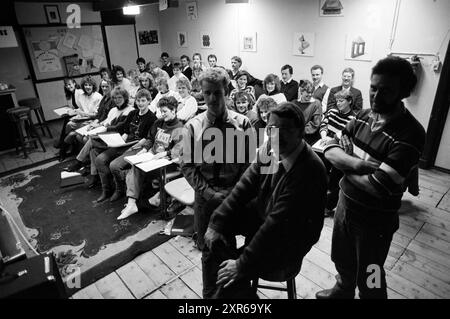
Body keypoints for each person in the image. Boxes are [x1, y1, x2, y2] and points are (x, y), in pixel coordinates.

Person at [315, 56, 425, 299]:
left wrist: (343, 163)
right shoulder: (363, 115)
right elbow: (330, 146)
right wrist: (359, 165)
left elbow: (377, 186)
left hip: (375, 220)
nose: (375, 96)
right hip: (345, 205)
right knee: (341, 257)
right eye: (373, 88)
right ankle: (343, 289)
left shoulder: (411, 133)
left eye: (385, 91)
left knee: (371, 274)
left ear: (403, 92)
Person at [203, 102, 327, 299]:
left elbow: (276, 225)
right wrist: (215, 224)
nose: (277, 135)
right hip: (264, 221)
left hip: (287, 243)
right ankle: (217, 295)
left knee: (225, 265)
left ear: (301, 132)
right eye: (271, 128)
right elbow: (244, 186)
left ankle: (225, 294)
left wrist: (240, 264)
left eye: (285, 129)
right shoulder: (271, 147)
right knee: (214, 210)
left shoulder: (309, 170)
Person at [180, 67, 254, 298]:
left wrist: (234, 193)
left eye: (217, 93)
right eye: (207, 93)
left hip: (236, 196)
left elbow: (250, 165)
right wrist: (210, 194)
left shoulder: (243, 124)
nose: (212, 98)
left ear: (226, 93)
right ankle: (209, 295)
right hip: (206, 198)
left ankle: (232, 295)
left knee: (230, 248)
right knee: (208, 251)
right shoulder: (192, 127)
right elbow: (187, 166)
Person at [119, 96, 184, 220]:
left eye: (165, 111)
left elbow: (178, 151)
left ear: (174, 110)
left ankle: (133, 204)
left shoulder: (180, 128)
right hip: (152, 157)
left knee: (136, 171)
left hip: (167, 163)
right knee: (135, 166)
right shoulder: (158, 122)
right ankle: (132, 204)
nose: (162, 114)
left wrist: (165, 154)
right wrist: (144, 149)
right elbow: (150, 138)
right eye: (161, 111)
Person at [91, 88, 156, 202]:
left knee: (114, 165)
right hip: (125, 143)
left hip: (137, 146)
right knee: (99, 160)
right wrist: (119, 140)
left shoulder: (152, 118)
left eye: (143, 101)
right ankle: (106, 189)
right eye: (138, 100)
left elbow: (148, 138)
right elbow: (126, 130)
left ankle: (119, 190)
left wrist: (135, 144)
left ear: (149, 101)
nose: (140, 103)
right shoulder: (133, 113)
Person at [318, 90, 356, 216]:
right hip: (324, 144)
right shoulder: (332, 111)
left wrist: (331, 140)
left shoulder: (353, 118)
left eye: (341, 101)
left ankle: (328, 205)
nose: (338, 104)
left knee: (335, 174)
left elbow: (346, 137)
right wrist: (324, 136)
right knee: (318, 167)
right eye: (337, 101)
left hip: (338, 149)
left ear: (349, 101)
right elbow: (323, 124)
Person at [59, 76, 102, 161]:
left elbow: (96, 115)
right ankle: (68, 147)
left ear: (93, 86)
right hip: (83, 119)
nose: (87, 87)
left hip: (92, 120)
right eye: (86, 85)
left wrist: (83, 113)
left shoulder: (98, 96)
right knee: (69, 123)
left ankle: (63, 150)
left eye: (90, 85)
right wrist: (78, 115)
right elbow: (81, 109)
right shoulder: (82, 96)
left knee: (71, 133)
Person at [293, 79, 322, 145]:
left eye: (311, 92)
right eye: (308, 92)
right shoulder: (294, 103)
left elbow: (315, 124)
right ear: (301, 92)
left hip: (308, 137)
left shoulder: (316, 103)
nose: (310, 94)